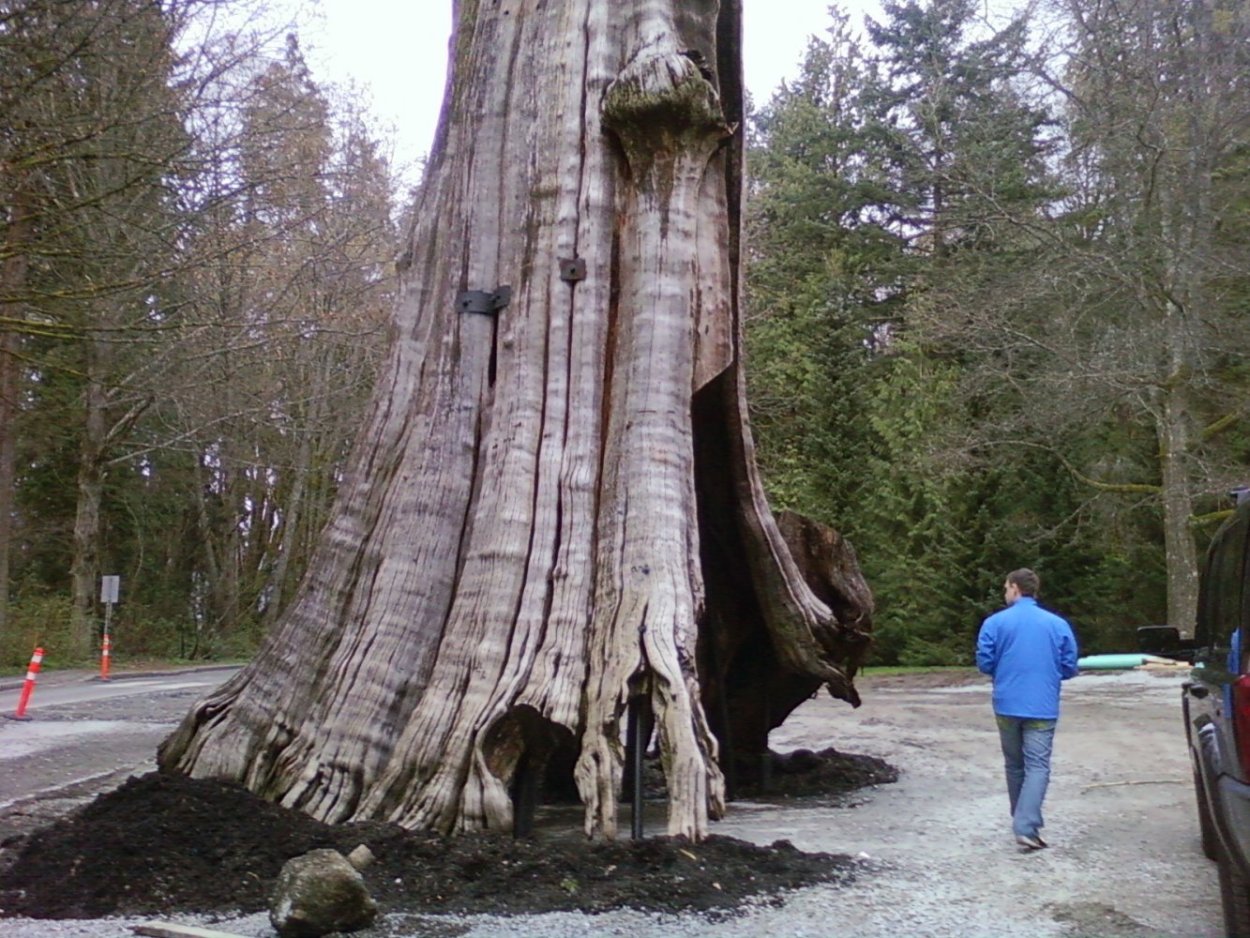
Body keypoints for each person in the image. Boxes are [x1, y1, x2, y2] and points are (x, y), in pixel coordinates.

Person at [976, 568, 1079, 850]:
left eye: (1006, 587)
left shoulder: (994, 623)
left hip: (1007, 703)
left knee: (1014, 764)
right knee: (1038, 766)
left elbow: (985, 662)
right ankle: (1026, 825)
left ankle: (1020, 820)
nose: (1005, 592)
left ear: (1015, 588)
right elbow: (1069, 665)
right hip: (1042, 706)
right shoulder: (1057, 624)